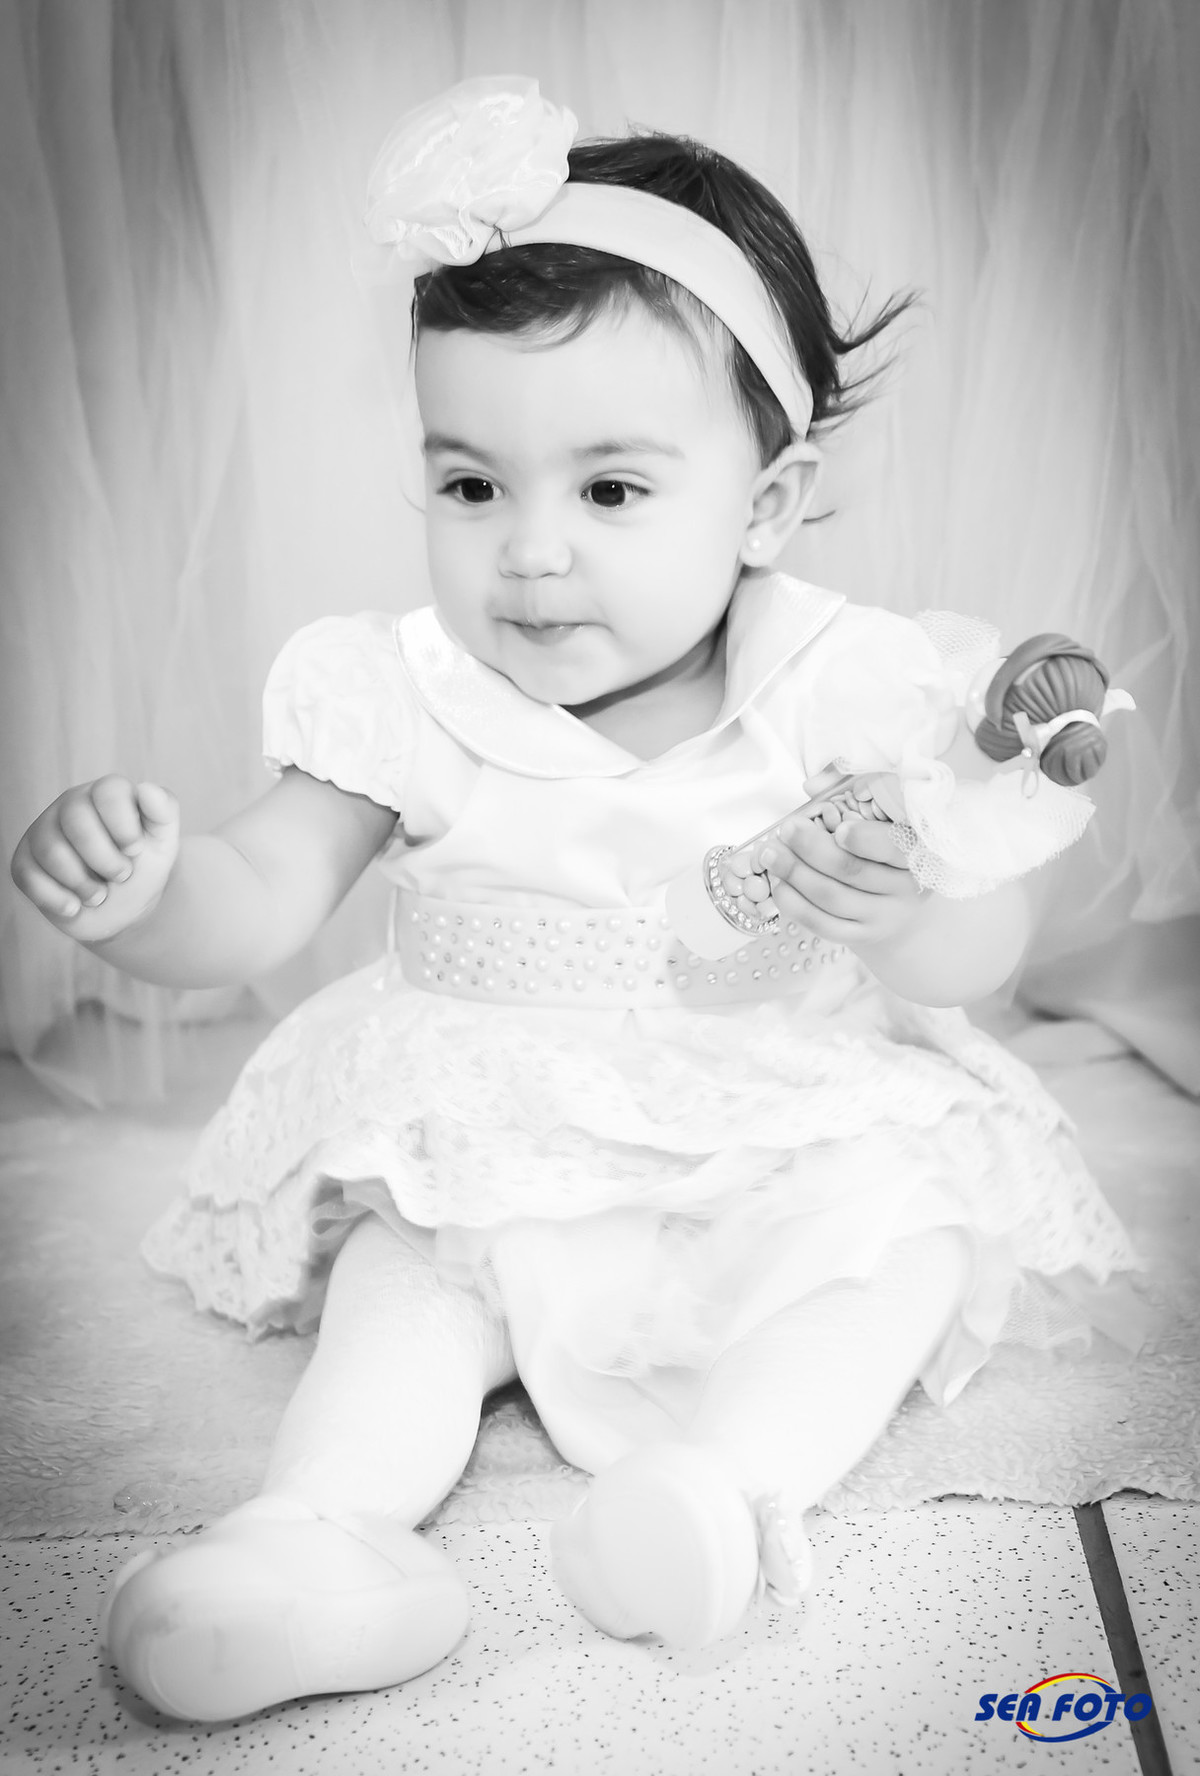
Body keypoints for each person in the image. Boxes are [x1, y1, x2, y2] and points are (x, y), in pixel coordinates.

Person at [9, 76, 1144, 1724]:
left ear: (765, 505)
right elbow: (257, 895)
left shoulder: (839, 686)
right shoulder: (403, 692)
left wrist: (905, 912)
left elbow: (977, 945)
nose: (529, 554)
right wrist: (149, 890)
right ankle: (315, 1541)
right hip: (496, 1142)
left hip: (771, 1120)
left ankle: (713, 1497)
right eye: (474, 486)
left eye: (609, 491)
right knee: (406, 1288)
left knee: (898, 1236)